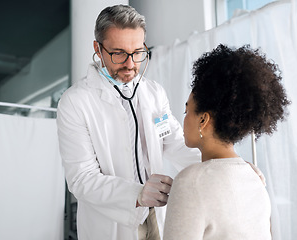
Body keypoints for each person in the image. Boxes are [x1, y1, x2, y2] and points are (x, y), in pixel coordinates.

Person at [56, 4, 200, 240]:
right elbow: (82, 179)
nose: (131, 64)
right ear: (98, 49)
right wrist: (137, 193)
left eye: (137, 52)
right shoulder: (75, 102)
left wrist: (221, 164)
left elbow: (173, 141)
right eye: (119, 53)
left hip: (155, 216)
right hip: (111, 221)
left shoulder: (154, 93)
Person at [163, 44, 291, 239]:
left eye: (186, 111)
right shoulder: (255, 179)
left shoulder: (190, 181)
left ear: (203, 120)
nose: (184, 119)